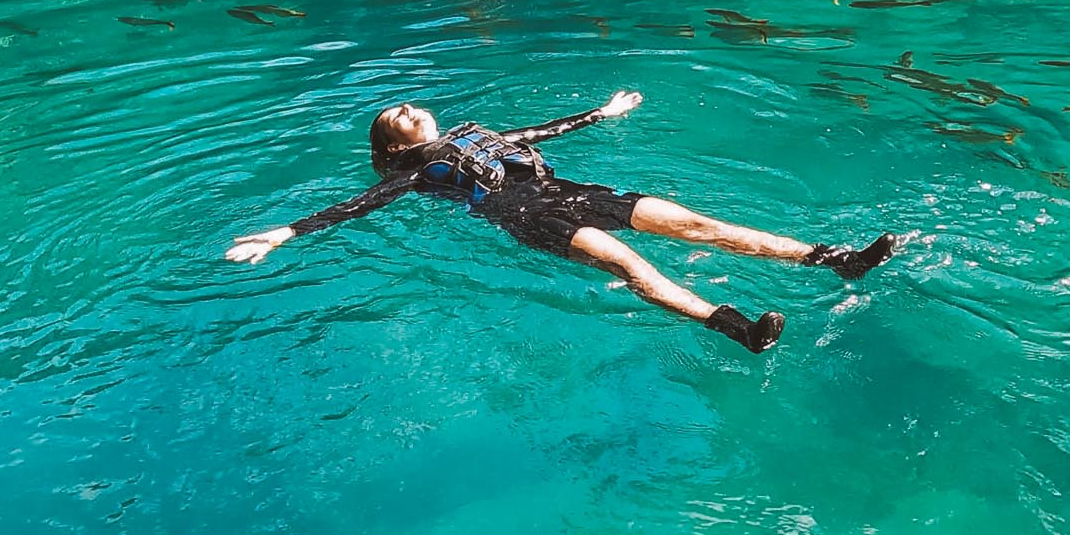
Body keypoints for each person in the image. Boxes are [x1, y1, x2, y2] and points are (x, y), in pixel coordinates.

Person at [224, 91, 901, 353]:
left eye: (410, 107)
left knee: (697, 222)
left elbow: (537, 128)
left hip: (572, 188)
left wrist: (601, 114)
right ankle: (736, 328)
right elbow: (359, 205)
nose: (407, 110)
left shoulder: (470, 131)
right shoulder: (409, 173)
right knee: (632, 266)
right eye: (397, 120)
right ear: (397, 146)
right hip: (526, 215)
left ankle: (834, 258)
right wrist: (284, 231)